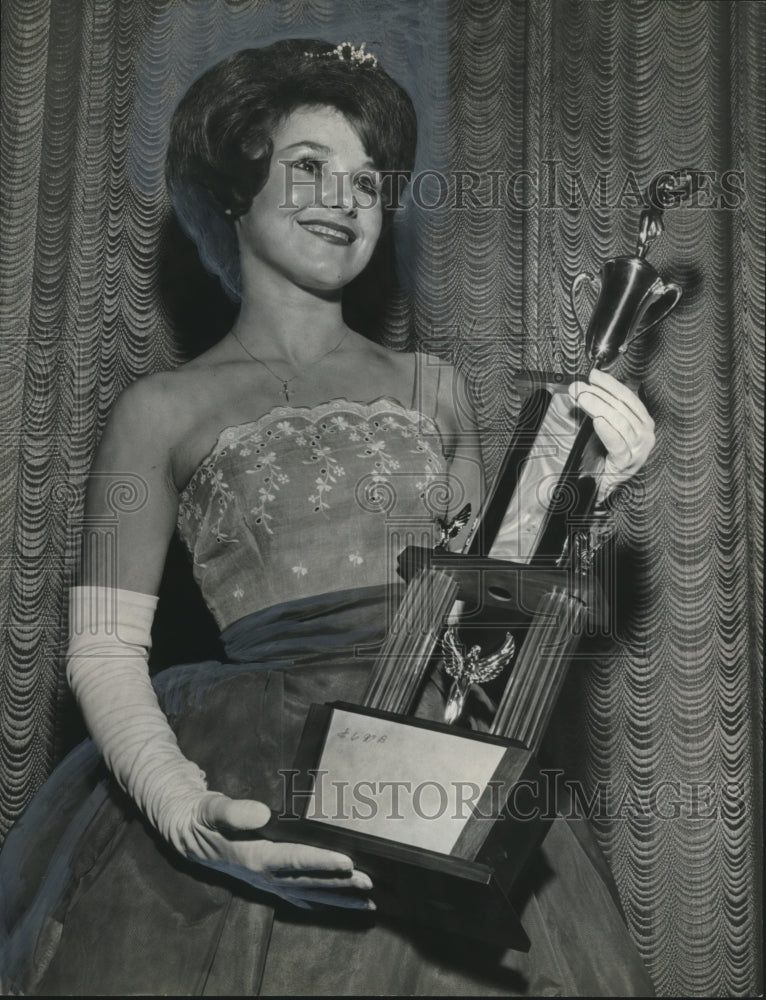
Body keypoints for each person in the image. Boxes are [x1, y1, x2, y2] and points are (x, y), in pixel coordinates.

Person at [0, 39, 656, 995]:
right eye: (309, 166)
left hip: (433, 768)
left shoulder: (436, 388)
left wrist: (585, 493)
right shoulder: (159, 411)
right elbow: (102, 650)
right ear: (236, 189)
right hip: (254, 770)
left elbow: (491, 628)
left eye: (369, 181)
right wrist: (190, 816)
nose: (344, 200)